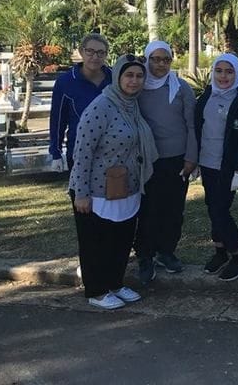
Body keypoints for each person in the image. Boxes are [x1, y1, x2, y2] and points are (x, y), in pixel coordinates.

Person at [68, 53, 158, 310]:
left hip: (125, 186)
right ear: (117, 76)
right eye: (128, 75)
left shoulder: (131, 105)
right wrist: (81, 193)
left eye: (139, 76)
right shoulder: (101, 107)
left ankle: (115, 283)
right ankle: (96, 290)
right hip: (96, 189)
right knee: (96, 242)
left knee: (120, 240)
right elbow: (82, 152)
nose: (134, 81)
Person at [135, 40, 198, 285]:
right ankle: (145, 254)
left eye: (166, 59)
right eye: (155, 59)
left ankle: (166, 251)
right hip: (146, 159)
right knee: (147, 208)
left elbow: (192, 124)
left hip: (176, 159)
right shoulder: (136, 86)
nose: (160, 64)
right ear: (147, 59)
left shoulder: (181, 88)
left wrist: (191, 157)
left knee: (173, 209)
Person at [195, 53, 238, 281]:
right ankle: (220, 252)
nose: (223, 76)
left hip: (228, 168)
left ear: (237, 74)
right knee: (212, 207)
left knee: (219, 210)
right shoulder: (205, 97)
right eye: (219, 71)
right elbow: (197, 129)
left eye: (229, 71)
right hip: (207, 164)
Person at [49, 33, 111, 172]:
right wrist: (56, 153)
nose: (95, 57)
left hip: (113, 151)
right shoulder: (66, 82)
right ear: (81, 51)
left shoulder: (115, 79)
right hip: (79, 151)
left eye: (101, 52)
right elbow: (57, 120)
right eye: (90, 51)